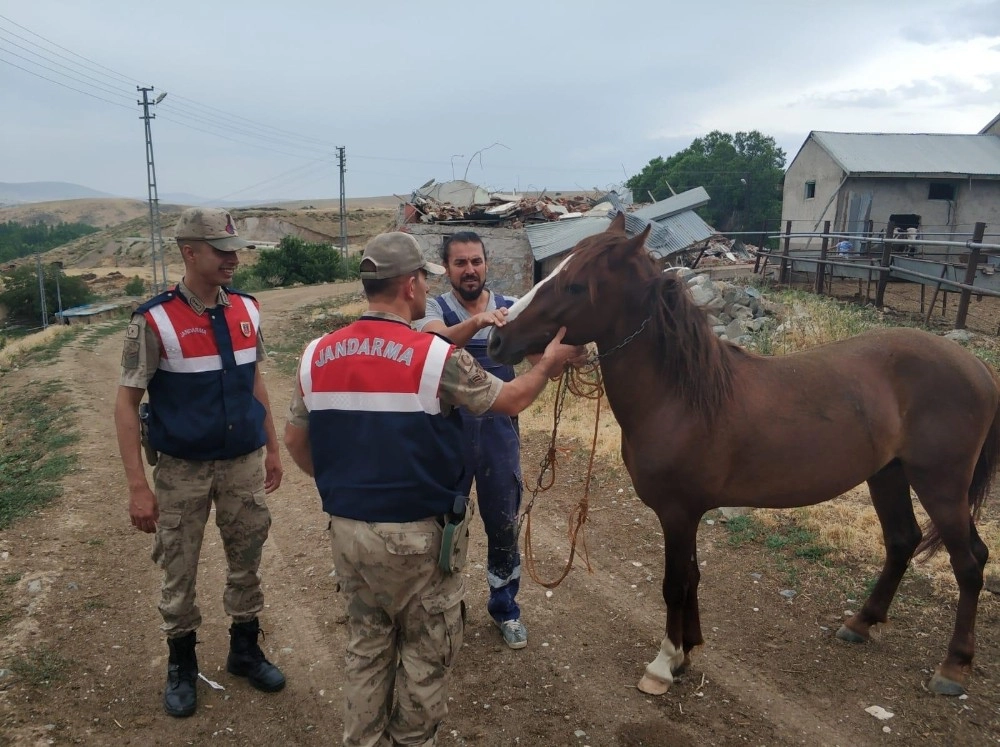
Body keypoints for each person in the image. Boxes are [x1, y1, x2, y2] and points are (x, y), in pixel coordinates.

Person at [283, 231, 583, 747]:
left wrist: (345, 486)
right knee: (424, 651)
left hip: (348, 531)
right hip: (418, 537)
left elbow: (295, 441)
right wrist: (552, 363)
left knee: (367, 646)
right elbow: (509, 399)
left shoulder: (315, 354)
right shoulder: (432, 355)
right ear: (410, 285)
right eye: (426, 275)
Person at [113, 207, 286, 719]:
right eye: (220, 250)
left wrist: (272, 447)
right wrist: (137, 487)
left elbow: (256, 383)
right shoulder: (153, 319)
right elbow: (126, 404)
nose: (232, 258)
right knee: (179, 567)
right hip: (182, 468)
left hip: (242, 462)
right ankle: (182, 664)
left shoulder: (248, 310)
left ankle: (245, 648)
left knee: (246, 556)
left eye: (233, 249)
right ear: (190, 252)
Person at [415, 231, 529, 649]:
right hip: (449, 432)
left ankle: (506, 607)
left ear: (487, 262)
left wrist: (567, 352)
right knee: (446, 524)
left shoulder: (513, 308)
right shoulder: (433, 308)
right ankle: (443, 609)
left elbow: (537, 355)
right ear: (446, 268)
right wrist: (478, 321)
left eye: (476, 261)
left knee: (503, 521)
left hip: (500, 430)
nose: (470, 270)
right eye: (460, 263)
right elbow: (435, 342)